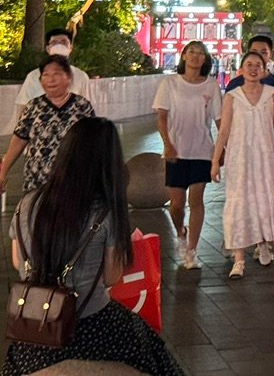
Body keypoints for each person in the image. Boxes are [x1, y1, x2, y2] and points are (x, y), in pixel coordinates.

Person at [5, 118, 184, 375]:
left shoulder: (27, 203)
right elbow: (112, 277)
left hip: (34, 325)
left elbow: (16, 261)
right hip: (92, 324)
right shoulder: (106, 212)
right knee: (157, 355)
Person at [212, 51, 274, 278]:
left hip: (265, 155)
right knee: (238, 202)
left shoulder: (273, 93)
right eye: (249, 64)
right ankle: (239, 259)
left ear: (265, 69)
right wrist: (216, 160)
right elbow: (224, 130)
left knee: (264, 197)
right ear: (241, 68)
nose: (253, 68)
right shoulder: (232, 96)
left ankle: (263, 241)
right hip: (240, 156)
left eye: (258, 65)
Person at [153, 40, 222, 270]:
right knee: (176, 204)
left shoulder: (211, 86)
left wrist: (221, 149)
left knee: (196, 200)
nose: (195, 57)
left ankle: (192, 249)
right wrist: (167, 144)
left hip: (202, 150)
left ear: (205, 60)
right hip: (176, 150)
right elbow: (162, 116)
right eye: (191, 52)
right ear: (183, 56)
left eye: (200, 54)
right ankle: (180, 232)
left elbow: (220, 120)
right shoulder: (169, 83)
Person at [0, 55, 95, 195]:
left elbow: (94, 142)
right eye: (45, 75)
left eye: (57, 73)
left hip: (73, 181)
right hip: (37, 182)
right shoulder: (33, 106)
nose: (51, 79)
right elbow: (19, 140)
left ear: (68, 77)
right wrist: (3, 172)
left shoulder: (82, 106)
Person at [227, 34, 274, 168]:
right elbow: (226, 123)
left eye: (264, 52)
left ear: (271, 55)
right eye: (254, 52)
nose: (259, 56)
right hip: (240, 148)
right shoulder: (234, 85)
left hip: (268, 147)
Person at [13, 29, 90, 117]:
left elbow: (85, 107)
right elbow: (21, 106)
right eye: (54, 42)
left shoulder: (81, 76)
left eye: (63, 42)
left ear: (70, 47)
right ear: (48, 49)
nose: (59, 45)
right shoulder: (33, 76)